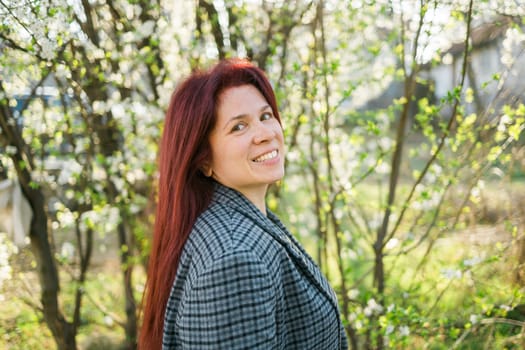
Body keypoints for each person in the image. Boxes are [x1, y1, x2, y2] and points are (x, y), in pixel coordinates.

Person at [139, 58, 348, 350]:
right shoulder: (234, 259)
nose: (265, 134)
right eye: (239, 127)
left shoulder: (240, 220)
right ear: (204, 160)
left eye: (265, 116)